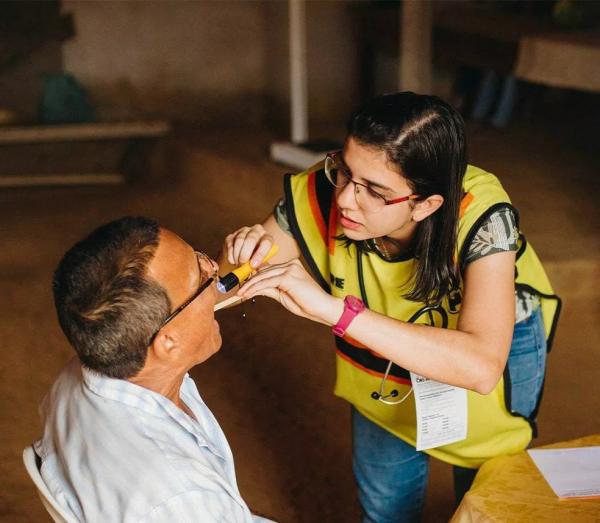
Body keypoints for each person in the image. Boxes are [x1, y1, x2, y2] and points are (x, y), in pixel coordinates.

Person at [222, 92, 560, 522]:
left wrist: (335, 312)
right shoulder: (324, 190)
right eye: (344, 171)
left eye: (375, 192)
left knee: (489, 497)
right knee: (385, 508)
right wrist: (239, 255)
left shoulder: (481, 213)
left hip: (489, 339)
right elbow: (229, 279)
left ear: (427, 204)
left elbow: (480, 366)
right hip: (378, 353)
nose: (345, 199)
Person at [36, 216, 271, 522]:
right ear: (168, 343)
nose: (215, 269)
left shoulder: (92, 364)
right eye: (201, 277)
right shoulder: (187, 497)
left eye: (201, 257)